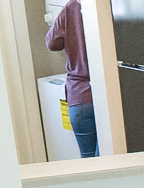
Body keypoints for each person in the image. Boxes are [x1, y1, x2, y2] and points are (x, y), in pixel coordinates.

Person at [46, 1, 97, 157]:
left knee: (89, 162)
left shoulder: (72, 7)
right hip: (107, 96)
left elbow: (52, 43)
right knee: (115, 162)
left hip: (80, 98)